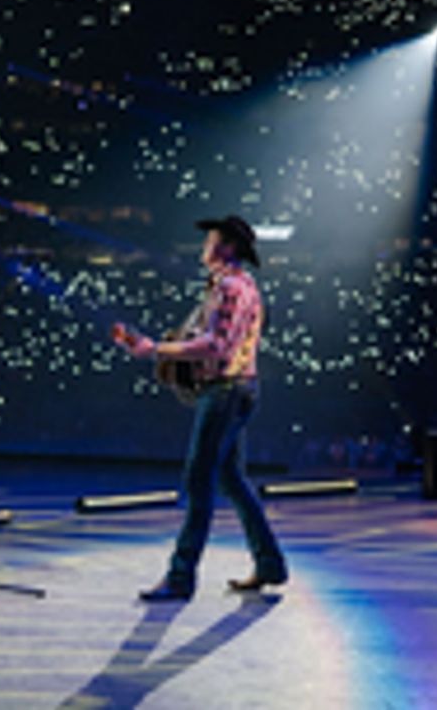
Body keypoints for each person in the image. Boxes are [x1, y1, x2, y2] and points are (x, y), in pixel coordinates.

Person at [118, 215, 288, 600]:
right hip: (238, 388)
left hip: (226, 391)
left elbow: (218, 346)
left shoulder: (230, 287)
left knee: (200, 481)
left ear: (227, 247)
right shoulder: (239, 285)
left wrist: (157, 349)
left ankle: (180, 578)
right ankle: (270, 565)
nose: (204, 245)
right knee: (231, 479)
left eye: (211, 239)